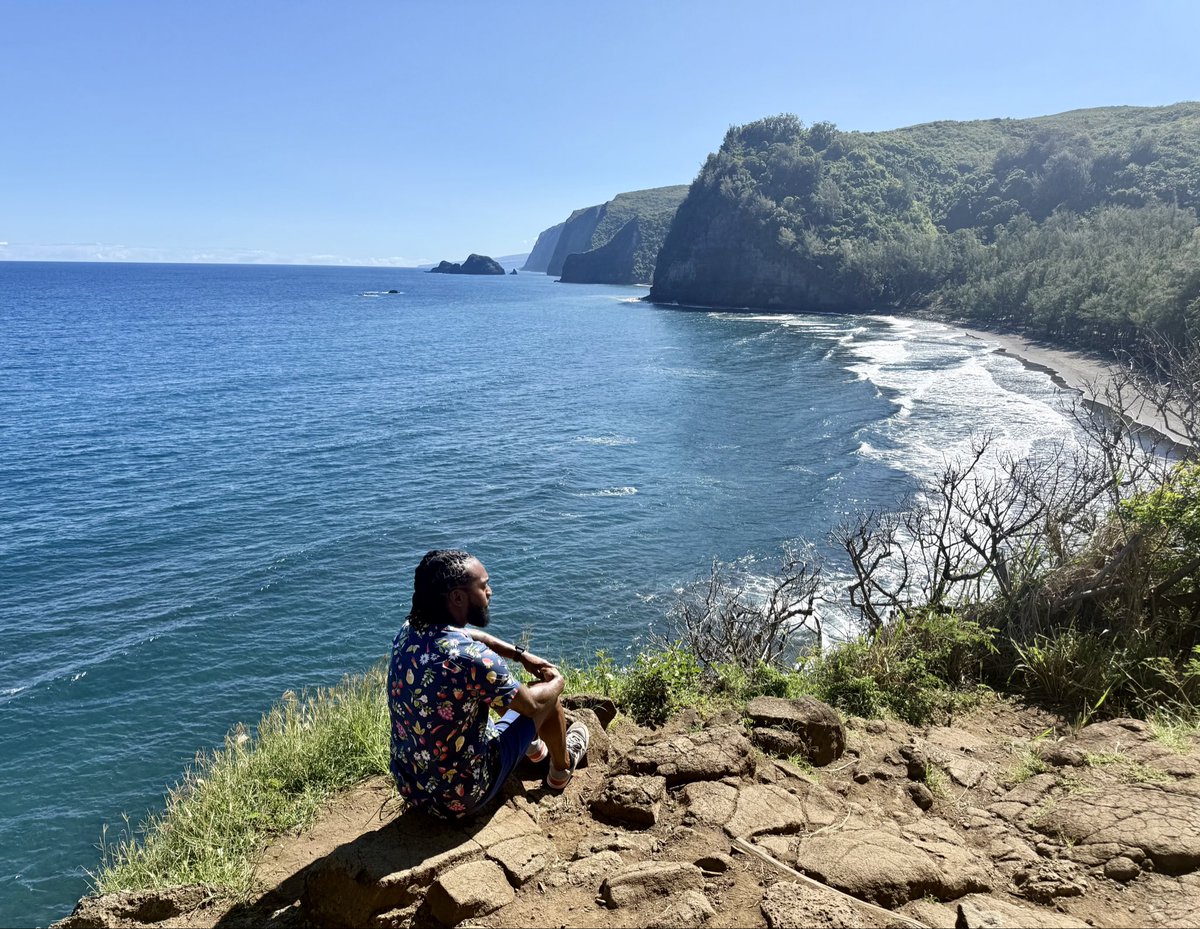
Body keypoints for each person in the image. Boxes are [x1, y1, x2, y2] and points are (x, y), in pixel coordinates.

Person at [387, 549, 590, 818]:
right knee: (546, 699)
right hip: (461, 797)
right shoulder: (473, 660)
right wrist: (558, 681)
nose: (490, 592)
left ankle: (534, 749)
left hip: (413, 787)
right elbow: (532, 705)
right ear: (458, 597)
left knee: (480, 690)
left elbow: (467, 635)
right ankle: (560, 770)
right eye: (483, 586)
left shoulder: (409, 630)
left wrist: (519, 654)